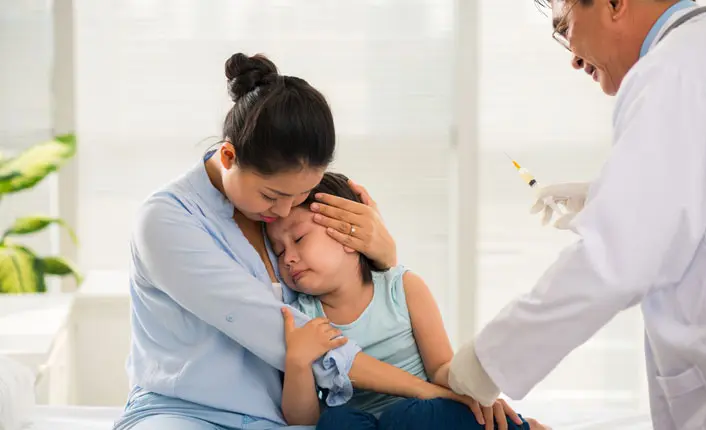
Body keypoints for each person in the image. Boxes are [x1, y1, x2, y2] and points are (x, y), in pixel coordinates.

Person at [113, 52, 482, 430]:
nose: (286, 209)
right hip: (182, 412)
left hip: (275, 421)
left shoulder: (286, 217)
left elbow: (356, 296)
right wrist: (431, 393)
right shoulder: (166, 222)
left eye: (301, 193)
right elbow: (283, 333)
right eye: (272, 195)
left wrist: (380, 255)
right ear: (228, 155)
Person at [443, 1, 706, 429]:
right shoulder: (700, 51)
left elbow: (616, 261)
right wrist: (606, 196)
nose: (571, 57)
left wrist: (483, 364)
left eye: (564, 26)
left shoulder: (670, 72)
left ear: (614, 4)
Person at [266, 173, 544, 430]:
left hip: (421, 415)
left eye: (299, 238)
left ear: (350, 235)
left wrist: (477, 389)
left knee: (411, 416)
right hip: (362, 423)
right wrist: (298, 363)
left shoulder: (403, 288)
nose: (287, 258)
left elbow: (441, 369)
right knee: (335, 421)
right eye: (278, 251)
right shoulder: (300, 317)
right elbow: (304, 421)